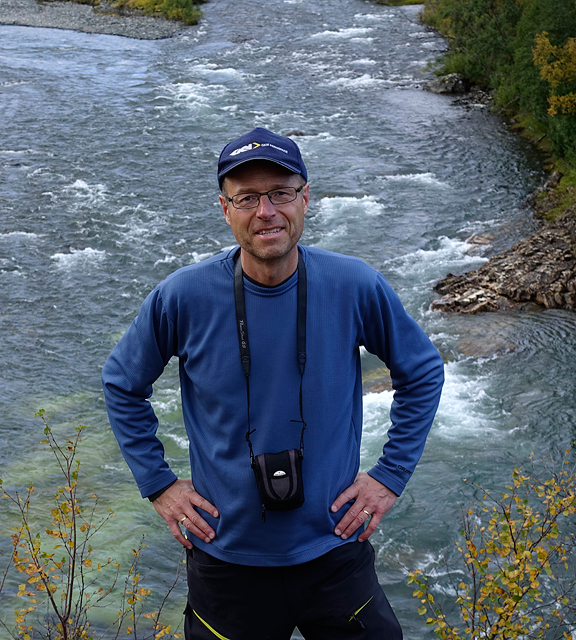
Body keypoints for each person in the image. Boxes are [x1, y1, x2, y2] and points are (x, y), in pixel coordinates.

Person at [102, 127, 444, 639]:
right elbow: (122, 384)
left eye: (281, 193)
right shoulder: (182, 297)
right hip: (227, 561)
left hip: (334, 552)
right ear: (226, 209)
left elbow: (422, 371)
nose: (266, 211)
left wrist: (389, 476)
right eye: (247, 198)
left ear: (306, 199)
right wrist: (161, 485)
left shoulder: (354, 285)